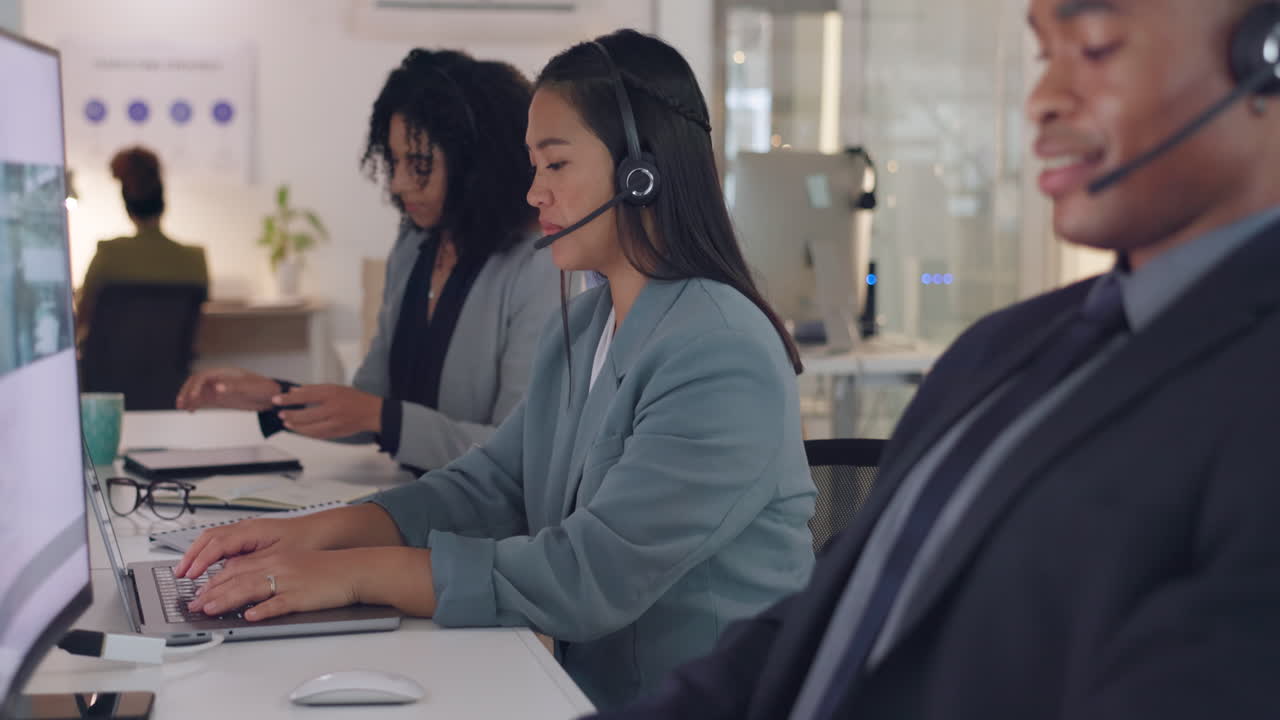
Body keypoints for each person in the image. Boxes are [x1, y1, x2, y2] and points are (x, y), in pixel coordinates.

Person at [585, 1, 1280, 718]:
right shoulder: (1005, 345)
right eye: (1046, 55)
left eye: (1097, 50)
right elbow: (825, 623)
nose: (1042, 102)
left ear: (1268, 54)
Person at [172, 30, 816, 710]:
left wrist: (352, 575)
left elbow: (584, 576)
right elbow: (491, 485)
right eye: (531, 165)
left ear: (640, 174)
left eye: (555, 165)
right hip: (583, 691)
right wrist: (312, 534)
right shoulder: (589, 323)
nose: (534, 191)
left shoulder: (720, 351)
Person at [175, 50, 559, 471]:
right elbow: (368, 404)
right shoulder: (416, 245)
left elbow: (513, 454)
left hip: (485, 522)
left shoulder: (538, 266)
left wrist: (378, 416)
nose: (397, 184)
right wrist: (273, 396)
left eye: (419, 165)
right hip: (412, 498)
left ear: (476, 165)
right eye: (394, 162)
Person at [76, 147, 207, 344]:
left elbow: (81, 321)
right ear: (163, 200)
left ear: (126, 203)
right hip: (170, 373)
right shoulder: (195, 259)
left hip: (104, 372)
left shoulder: (109, 255)